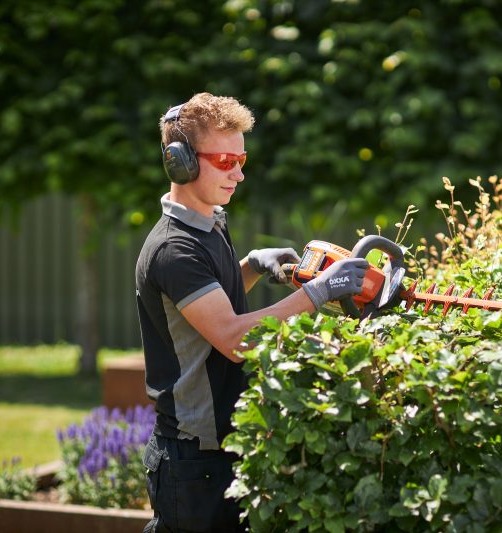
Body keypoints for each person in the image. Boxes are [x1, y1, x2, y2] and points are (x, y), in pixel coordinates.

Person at [135, 92, 369, 533]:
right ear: (181, 162)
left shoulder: (208, 223)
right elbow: (233, 337)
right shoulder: (174, 248)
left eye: (243, 161)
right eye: (226, 161)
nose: (239, 174)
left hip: (221, 447)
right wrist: (319, 291)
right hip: (195, 458)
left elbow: (204, 308)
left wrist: (252, 267)